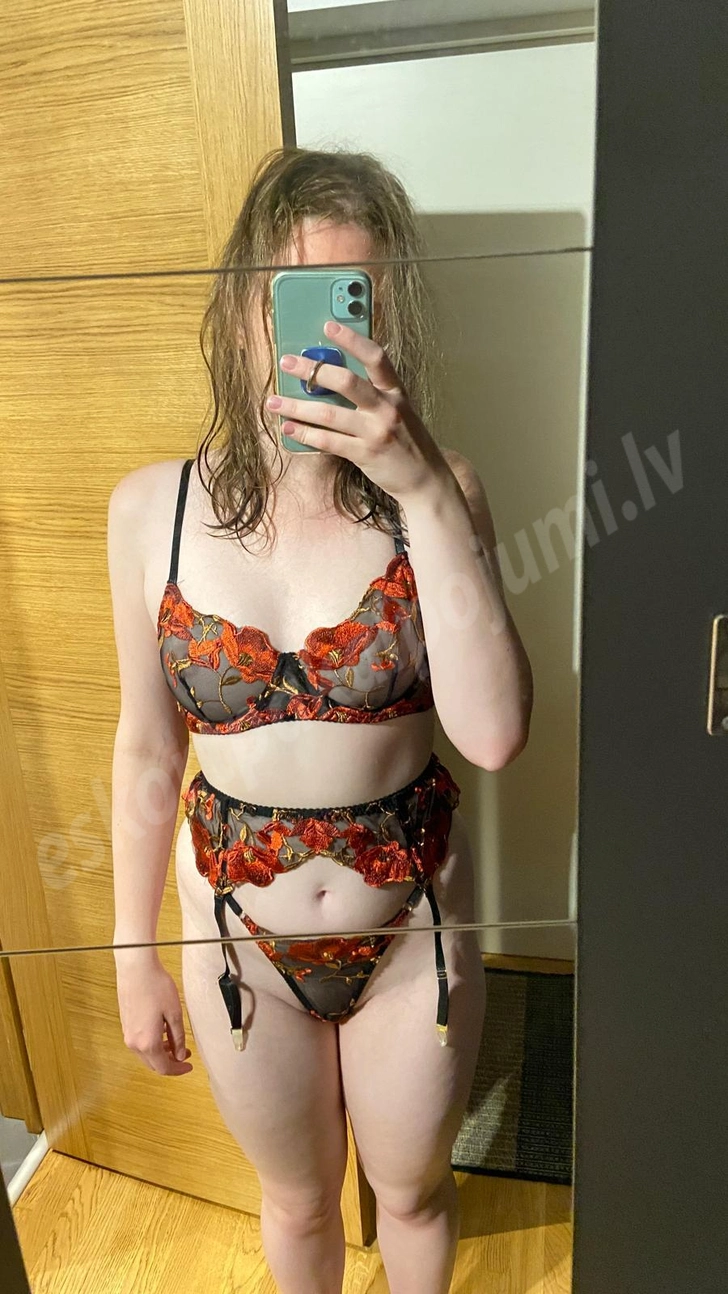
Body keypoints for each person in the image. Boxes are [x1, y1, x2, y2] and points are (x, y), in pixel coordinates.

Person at [107, 147, 533, 1294]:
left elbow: (493, 734)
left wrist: (422, 488)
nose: (313, 343)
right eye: (287, 301)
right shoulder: (149, 509)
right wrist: (131, 954)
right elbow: (146, 746)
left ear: (384, 325)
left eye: (350, 307)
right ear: (238, 311)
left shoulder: (441, 488)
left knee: (412, 1193)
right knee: (296, 1203)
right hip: (233, 930)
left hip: (410, 925)